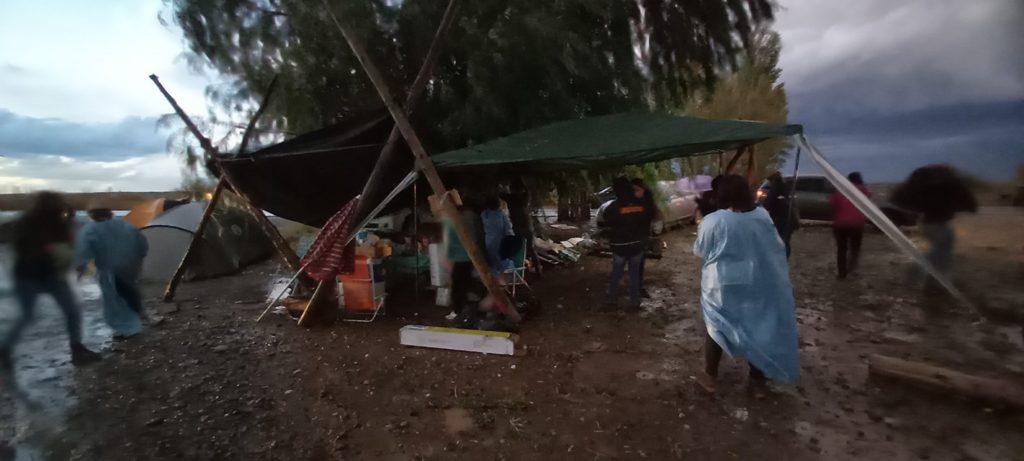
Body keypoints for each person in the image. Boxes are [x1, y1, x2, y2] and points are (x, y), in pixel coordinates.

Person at [692, 175, 799, 393]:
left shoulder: (714, 221)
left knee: (717, 327)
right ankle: (758, 376)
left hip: (722, 285)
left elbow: (700, 250)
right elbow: (774, 248)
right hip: (757, 281)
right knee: (755, 325)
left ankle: (710, 375)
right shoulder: (762, 216)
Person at [1, 192, 101, 377]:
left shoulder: (58, 223)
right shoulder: (26, 223)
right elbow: (16, 243)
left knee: (72, 311)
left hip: (50, 276)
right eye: (57, 204)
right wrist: (44, 250)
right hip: (29, 277)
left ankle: (77, 349)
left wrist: (68, 218)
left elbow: (67, 242)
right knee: (28, 316)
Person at [890, 165, 977, 290]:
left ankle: (921, 276)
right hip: (941, 226)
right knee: (939, 256)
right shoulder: (948, 188)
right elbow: (968, 204)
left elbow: (910, 202)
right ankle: (931, 283)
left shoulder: (927, 189)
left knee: (931, 253)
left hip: (928, 225)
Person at [74, 206, 147, 338]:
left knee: (115, 299)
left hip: (109, 269)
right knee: (130, 291)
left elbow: (83, 252)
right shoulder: (126, 225)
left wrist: (79, 270)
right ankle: (138, 316)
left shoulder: (90, 229)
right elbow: (142, 244)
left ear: (92, 216)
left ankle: (127, 329)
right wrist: (138, 258)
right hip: (131, 266)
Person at [604, 177, 654, 309]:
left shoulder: (612, 207)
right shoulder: (641, 204)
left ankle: (612, 301)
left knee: (616, 274)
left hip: (619, 246)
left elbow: (606, 223)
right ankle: (634, 303)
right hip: (637, 246)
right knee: (634, 276)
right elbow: (649, 217)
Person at [444, 194, 486, 327]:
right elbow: (479, 235)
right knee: (467, 281)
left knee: (459, 284)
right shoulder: (472, 215)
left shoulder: (459, 218)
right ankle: (478, 303)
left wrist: (449, 256)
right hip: (470, 254)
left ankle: (458, 310)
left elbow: (453, 240)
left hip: (462, 255)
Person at [830, 172, 870, 279]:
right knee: (855, 248)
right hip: (857, 224)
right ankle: (853, 270)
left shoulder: (839, 190)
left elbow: (832, 205)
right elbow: (868, 201)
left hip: (840, 224)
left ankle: (841, 273)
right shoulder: (864, 190)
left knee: (841, 250)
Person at [501, 177, 541, 277]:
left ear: (512, 188)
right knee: (532, 250)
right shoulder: (525, 197)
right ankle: (538, 271)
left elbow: (499, 193)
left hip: (516, 228)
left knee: (516, 250)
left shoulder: (510, 198)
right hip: (527, 227)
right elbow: (527, 190)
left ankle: (516, 271)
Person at [631, 178, 661, 298]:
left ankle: (639, 288)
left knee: (639, 265)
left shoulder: (647, 203)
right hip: (632, 238)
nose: (635, 193)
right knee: (634, 265)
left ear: (643, 190)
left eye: (637, 190)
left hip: (642, 238)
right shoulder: (631, 202)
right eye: (633, 190)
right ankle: (636, 289)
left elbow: (654, 218)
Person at [762, 172, 799, 257]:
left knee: (779, 240)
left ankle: (780, 258)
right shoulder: (788, 189)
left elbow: (768, 204)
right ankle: (785, 258)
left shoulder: (775, 190)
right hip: (790, 219)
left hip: (779, 220)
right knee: (786, 240)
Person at [480, 195, 515, 278]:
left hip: (488, 241)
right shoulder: (501, 215)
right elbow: (508, 230)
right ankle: (502, 280)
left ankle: (495, 279)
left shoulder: (484, 214)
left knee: (493, 261)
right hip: (500, 242)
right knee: (503, 262)